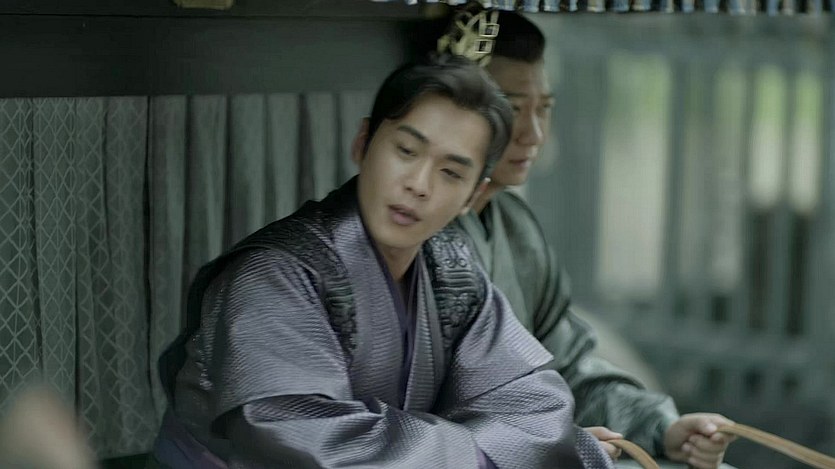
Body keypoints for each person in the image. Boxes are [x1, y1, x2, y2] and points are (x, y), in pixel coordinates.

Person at [151, 54, 614, 469]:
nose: (418, 184)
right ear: (363, 142)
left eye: (451, 172)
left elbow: (536, 408)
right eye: (406, 151)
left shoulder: (452, 272)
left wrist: (507, 448)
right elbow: (305, 438)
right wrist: (484, 452)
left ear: (472, 195)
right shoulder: (272, 276)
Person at [424, 7, 737, 469]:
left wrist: (660, 427)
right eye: (513, 108)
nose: (533, 134)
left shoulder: (516, 228)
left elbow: (567, 367)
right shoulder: (419, 232)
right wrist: (547, 440)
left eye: (544, 109)